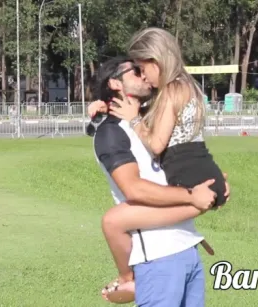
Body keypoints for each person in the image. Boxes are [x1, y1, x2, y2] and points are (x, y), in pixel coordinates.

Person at [89, 27, 230, 303]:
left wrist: (211, 191)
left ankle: (127, 282)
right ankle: (127, 280)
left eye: (143, 69)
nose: (144, 76)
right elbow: (135, 190)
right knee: (112, 221)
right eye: (135, 72)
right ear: (116, 84)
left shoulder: (148, 116)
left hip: (188, 250)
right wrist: (195, 198)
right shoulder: (111, 132)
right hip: (157, 259)